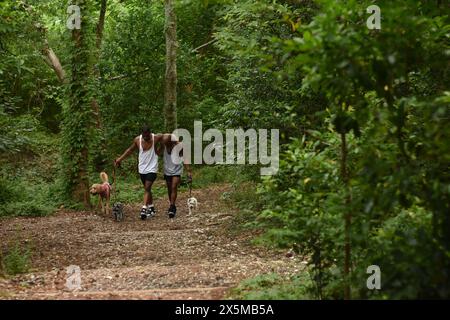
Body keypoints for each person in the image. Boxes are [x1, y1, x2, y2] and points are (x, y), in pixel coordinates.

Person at [114, 125, 163, 220]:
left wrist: (160, 150)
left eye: (147, 136)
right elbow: (130, 150)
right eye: (144, 137)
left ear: (150, 133)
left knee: (147, 187)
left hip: (152, 168)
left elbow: (166, 139)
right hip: (142, 168)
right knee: (147, 188)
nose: (146, 138)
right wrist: (120, 159)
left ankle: (144, 208)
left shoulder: (156, 137)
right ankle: (151, 208)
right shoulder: (137, 140)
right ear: (142, 134)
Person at [157, 134, 192, 218]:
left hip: (177, 169)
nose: (166, 144)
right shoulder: (163, 145)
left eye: (167, 143)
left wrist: (188, 171)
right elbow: (157, 153)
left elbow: (185, 158)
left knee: (174, 186)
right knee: (169, 188)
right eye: (165, 143)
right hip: (167, 170)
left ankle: (172, 207)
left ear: (171, 141)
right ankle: (172, 204)